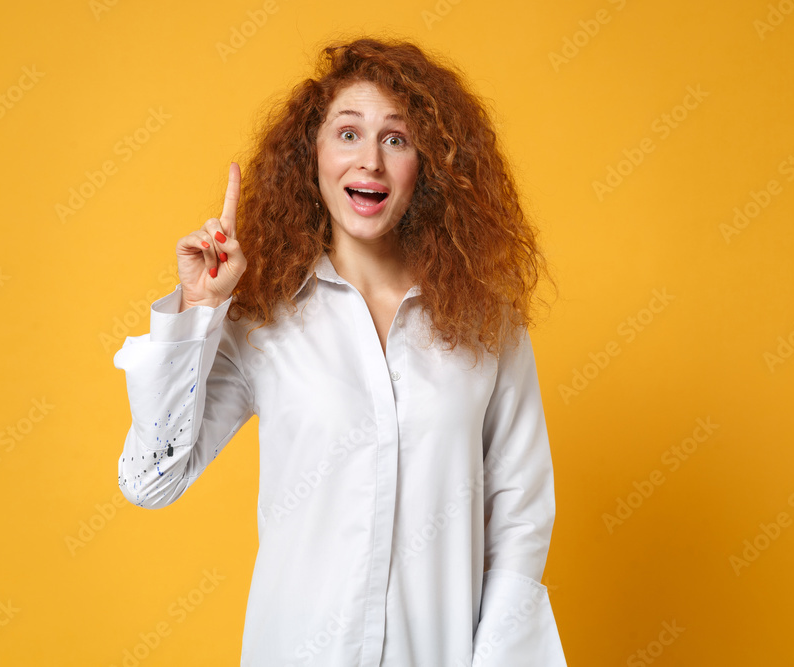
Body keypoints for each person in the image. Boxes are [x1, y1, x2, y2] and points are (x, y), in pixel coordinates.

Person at [113, 36, 567, 666]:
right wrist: (198, 310)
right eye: (348, 134)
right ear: (313, 155)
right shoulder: (262, 317)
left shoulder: (485, 321)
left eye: (397, 139)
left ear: (427, 165)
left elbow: (519, 515)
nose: (370, 162)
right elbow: (149, 480)